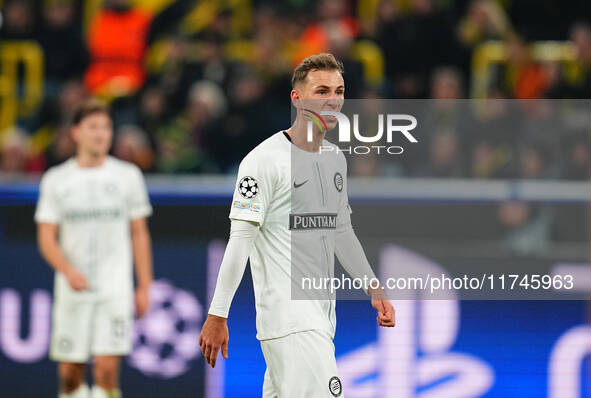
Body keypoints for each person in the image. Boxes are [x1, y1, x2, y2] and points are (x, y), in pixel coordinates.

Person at [199, 53, 395, 397]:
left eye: (339, 90)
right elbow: (240, 240)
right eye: (321, 91)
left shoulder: (334, 158)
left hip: (320, 319)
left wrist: (373, 288)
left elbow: (340, 231)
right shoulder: (263, 161)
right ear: (297, 98)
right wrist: (218, 315)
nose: (333, 99)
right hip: (290, 320)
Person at [35, 100, 154, 398]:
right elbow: (46, 236)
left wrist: (144, 287)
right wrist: (67, 270)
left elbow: (139, 233)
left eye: (106, 127)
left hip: (114, 288)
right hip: (72, 290)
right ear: (76, 132)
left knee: (106, 370)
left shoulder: (128, 176)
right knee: (70, 375)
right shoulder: (56, 180)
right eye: (93, 128)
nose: (101, 134)